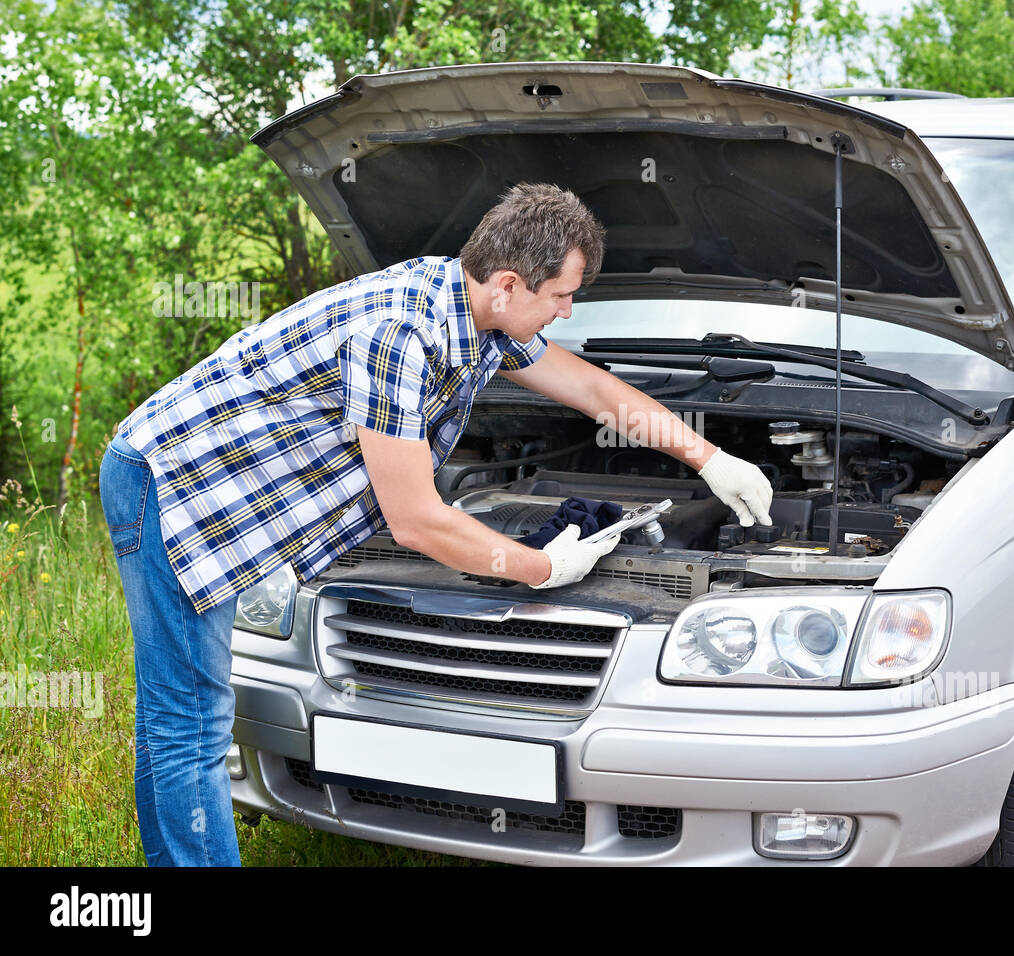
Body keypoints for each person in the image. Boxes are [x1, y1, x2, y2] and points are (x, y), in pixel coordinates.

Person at [97, 182, 773, 866]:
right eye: (562, 296)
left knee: (184, 719)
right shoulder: (400, 333)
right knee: (189, 723)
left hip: (243, 490)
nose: (566, 313)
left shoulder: (479, 315)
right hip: (175, 483)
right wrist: (543, 567)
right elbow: (418, 521)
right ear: (509, 283)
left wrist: (711, 458)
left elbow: (593, 389)